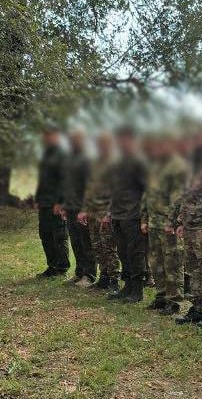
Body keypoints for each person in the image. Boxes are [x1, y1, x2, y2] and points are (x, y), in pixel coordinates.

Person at [173, 128, 202, 328]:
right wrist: (180, 222)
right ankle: (196, 307)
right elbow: (185, 198)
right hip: (190, 226)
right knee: (193, 269)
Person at [142, 134, 189, 314]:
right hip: (154, 222)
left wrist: (172, 221)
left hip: (167, 224)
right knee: (156, 261)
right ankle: (161, 296)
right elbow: (147, 196)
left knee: (173, 262)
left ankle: (174, 301)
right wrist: (144, 219)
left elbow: (178, 198)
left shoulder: (177, 166)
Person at [104, 126, 149, 303]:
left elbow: (147, 191)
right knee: (122, 252)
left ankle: (137, 291)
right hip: (117, 215)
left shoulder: (139, 162)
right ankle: (127, 286)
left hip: (133, 215)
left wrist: (145, 218)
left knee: (135, 253)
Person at [79, 132, 120, 292]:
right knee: (97, 245)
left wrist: (108, 212)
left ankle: (114, 279)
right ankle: (104, 276)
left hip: (106, 212)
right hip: (93, 212)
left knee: (109, 246)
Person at [62, 128, 97, 287]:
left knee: (85, 241)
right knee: (75, 241)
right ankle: (79, 271)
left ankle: (89, 275)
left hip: (82, 207)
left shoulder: (87, 159)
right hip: (70, 206)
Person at [35, 125, 69, 278]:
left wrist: (61, 202)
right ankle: (52, 265)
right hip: (44, 202)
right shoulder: (46, 154)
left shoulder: (62, 154)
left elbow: (65, 179)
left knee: (59, 236)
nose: (46, 138)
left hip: (55, 203)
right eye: (44, 135)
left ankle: (61, 267)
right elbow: (42, 180)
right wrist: (37, 198)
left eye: (49, 135)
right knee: (46, 235)